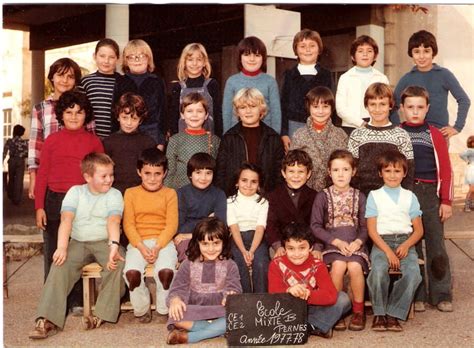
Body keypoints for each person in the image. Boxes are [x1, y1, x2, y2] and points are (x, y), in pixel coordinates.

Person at [28, 152, 125, 339]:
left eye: (111, 175)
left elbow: (113, 221)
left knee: (118, 263)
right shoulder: (75, 192)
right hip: (78, 241)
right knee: (59, 264)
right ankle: (47, 319)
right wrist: (62, 247)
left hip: (105, 241)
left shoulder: (115, 194)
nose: (109, 180)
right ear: (88, 177)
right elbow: (66, 220)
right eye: (103, 176)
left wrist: (114, 245)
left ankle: (101, 315)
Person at [35, 91, 103, 282]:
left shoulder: (94, 142)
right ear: (61, 115)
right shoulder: (52, 141)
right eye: (69, 112)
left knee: (77, 252)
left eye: (79, 112)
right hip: (54, 200)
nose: (74, 117)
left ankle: (77, 301)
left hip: (84, 202)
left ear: (86, 115)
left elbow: (101, 178)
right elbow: (42, 175)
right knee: (54, 251)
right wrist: (39, 207)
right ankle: (52, 300)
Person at [400, 86, 454, 312]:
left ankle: (441, 294)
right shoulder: (398, 132)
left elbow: (446, 169)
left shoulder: (434, 134)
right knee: (412, 245)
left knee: (436, 244)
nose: (415, 112)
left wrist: (446, 201)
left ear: (427, 108)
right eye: (410, 107)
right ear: (402, 109)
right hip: (406, 193)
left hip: (430, 193)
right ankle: (417, 293)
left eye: (420, 107)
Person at [311, 149, 369, 331]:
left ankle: (358, 311)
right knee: (338, 265)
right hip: (332, 245)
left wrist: (358, 243)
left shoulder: (360, 196)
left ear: (354, 171)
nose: (341, 174)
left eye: (345, 169)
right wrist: (336, 242)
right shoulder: (322, 196)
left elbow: (365, 226)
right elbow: (315, 226)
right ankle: (337, 310)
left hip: (355, 244)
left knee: (354, 266)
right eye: (336, 170)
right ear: (329, 172)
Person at [366, 150, 423, 332]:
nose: (392, 175)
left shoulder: (410, 197)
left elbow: (419, 229)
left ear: (404, 173)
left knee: (414, 273)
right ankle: (379, 314)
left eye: (397, 171)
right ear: (380, 173)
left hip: (406, 242)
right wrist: (388, 252)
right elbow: (372, 230)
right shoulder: (374, 196)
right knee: (378, 271)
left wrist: (406, 245)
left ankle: (393, 313)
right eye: (388, 170)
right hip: (382, 242)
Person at [122, 147, 178, 322]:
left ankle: (164, 307)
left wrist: (157, 246)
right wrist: (141, 246)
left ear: (165, 173)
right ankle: (142, 308)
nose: (152, 178)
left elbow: (171, 225)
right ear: (139, 172)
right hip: (138, 243)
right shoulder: (131, 193)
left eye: (157, 173)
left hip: (164, 242)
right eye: (147, 173)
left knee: (166, 272)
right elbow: (128, 224)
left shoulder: (170, 194)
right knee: (132, 273)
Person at [268, 223, 351, 339]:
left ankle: (308, 326)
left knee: (343, 299)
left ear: (310, 248)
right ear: (284, 248)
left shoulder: (318, 265)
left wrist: (308, 294)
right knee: (271, 313)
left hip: (311, 308)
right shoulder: (276, 264)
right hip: (287, 309)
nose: (296, 254)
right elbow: (273, 293)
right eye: (291, 248)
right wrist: (289, 290)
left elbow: (331, 295)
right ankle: (319, 326)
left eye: (302, 248)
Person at [166, 217, 242, 345]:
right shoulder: (187, 264)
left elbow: (234, 286)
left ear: (224, 243)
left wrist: (231, 295)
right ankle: (217, 330)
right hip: (195, 309)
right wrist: (175, 300)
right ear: (197, 243)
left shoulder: (230, 264)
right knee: (175, 316)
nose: (211, 249)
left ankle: (191, 337)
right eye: (205, 244)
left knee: (236, 316)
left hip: (219, 309)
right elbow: (178, 288)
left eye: (216, 243)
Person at [28, 57, 94, 200]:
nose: (65, 80)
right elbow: (35, 145)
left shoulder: (83, 105)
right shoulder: (40, 108)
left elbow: (92, 141)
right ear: (52, 77)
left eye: (70, 76)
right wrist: (34, 176)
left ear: (76, 80)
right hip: (51, 174)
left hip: (79, 175)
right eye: (60, 75)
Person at [392, 30, 471, 138]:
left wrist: (457, 127)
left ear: (433, 52)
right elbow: (392, 106)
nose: (421, 56)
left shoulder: (444, 75)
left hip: (439, 134)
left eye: (426, 51)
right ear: (411, 53)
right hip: (413, 135)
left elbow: (464, 100)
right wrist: (397, 127)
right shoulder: (407, 78)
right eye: (416, 51)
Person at [347, 82, 414, 197]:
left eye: (382, 104)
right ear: (366, 106)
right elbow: (351, 170)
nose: (377, 109)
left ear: (390, 105)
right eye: (373, 104)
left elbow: (409, 171)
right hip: (363, 197)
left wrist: (405, 198)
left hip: (393, 196)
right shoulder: (357, 135)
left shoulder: (401, 135)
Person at [216, 87, 284, 196]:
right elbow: (221, 175)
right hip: (235, 199)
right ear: (237, 111)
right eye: (242, 107)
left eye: (253, 106)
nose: (248, 111)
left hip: (265, 199)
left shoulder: (273, 138)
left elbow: (279, 175)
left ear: (261, 109)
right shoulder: (228, 138)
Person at [281, 29, 333, 152]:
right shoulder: (289, 74)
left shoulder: (326, 74)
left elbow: (331, 104)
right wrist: (284, 133)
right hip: (294, 126)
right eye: (303, 46)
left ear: (319, 49)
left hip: (321, 125)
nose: (307, 50)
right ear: (296, 50)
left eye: (312, 46)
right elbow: (283, 104)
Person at [290, 86, 348, 191]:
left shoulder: (340, 135)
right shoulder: (299, 135)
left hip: (333, 190)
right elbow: (292, 165)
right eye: (316, 107)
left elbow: (345, 165)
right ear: (309, 108)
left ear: (332, 108)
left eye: (325, 106)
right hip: (305, 190)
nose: (320, 111)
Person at [112, 39, 167, 148]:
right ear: (126, 60)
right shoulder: (121, 81)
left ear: (148, 58)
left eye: (141, 55)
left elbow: (163, 111)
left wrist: (161, 140)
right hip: (126, 132)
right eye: (131, 56)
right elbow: (114, 110)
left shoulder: (157, 81)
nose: (137, 60)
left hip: (152, 133)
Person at [222, 36, 281, 134]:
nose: (252, 59)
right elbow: (227, 114)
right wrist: (227, 137)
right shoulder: (232, 82)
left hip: (265, 136)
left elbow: (276, 114)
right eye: (247, 54)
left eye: (257, 55)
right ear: (240, 58)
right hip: (237, 136)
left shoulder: (270, 82)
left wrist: (275, 138)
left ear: (263, 58)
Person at [266, 149, 318, 259]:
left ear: (308, 174)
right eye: (291, 171)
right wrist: (277, 246)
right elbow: (271, 225)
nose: (296, 176)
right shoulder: (273, 196)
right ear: (283, 173)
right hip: (282, 244)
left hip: (306, 245)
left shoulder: (315, 196)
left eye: (301, 172)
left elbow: (318, 224)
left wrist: (317, 246)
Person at [174, 152, 227, 262]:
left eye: (208, 173)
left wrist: (190, 234)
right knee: (191, 255)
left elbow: (221, 227)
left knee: (215, 252)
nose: (203, 178)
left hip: (211, 240)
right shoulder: (181, 193)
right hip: (186, 241)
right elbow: (180, 228)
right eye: (198, 172)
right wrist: (208, 220)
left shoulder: (219, 194)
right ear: (190, 174)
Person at [227, 163, 270, 293]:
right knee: (239, 262)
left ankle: (261, 299)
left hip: (257, 238)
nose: (248, 185)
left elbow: (260, 228)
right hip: (237, 238)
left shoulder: (263, 202)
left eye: (253, 182)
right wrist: (243, 251)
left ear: (259, 185)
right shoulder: (230, 201)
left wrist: (251, 251)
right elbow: (234, 228)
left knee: (261, 263)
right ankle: (245, 300)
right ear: (237, 182)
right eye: (244, 180)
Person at [103, 92, 156, 195]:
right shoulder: (108, 142)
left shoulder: (148, 143)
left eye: (134, 118)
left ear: (140, 120)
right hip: (114, 192)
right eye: (124, 117)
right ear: (118, 116)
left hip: (140, 193)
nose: (129, 123)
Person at [165, 92, 220, 190]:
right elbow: (170, 171)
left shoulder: (214, 140)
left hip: (206, 193)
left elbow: (218, 171)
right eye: (189, 111)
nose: (194, 115)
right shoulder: (175, 140)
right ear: (182, 114)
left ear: (206, 115)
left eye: (199, 111)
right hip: (180, 192)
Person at [336, 35, 389, 135]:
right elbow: (340, 108)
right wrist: (361, 123)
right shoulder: (345, 78)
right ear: (353, 56)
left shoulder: (382, 78)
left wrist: (375, 122)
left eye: (369, 51)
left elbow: (386, 104)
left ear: (375, 55)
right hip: (351, 126)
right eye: (360, 51)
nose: (365, 54)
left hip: (377, 125)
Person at [170, 42, 222, 136]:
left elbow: (218, 115)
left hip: (208, 139)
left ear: (204, 63)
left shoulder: (212, 84)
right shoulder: (178, 87)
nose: (194, 63)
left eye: (199, 59)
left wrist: (220, 140)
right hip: (183, 141)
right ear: (184, 62)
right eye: (190, 59)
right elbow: (173, 118)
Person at [79, 38, 121, 138]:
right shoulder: (86, 82)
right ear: (95, 56)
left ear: (118, 59)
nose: (106, 61)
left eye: (111, 57)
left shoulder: (122, 81)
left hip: (116, 139)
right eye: (102, 56)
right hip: (91, 137)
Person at [3, 124, 28, 205]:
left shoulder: (9, 141)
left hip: (12, 160)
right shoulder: (25, 142)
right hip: (20, 161)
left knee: (11, 179)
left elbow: (4, 152)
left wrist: (2, 160)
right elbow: (27, 153)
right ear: (22, 133)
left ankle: (10, 194)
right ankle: (16, 199)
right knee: (19, 180)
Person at [460, 136, 474, 212]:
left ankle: (471, 205)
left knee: (473, 190)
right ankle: (466, 206)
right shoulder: (470, 150)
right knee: (472, 189)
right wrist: (467, 160)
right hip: (471, 171)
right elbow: (461, 154)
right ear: (471, 143)